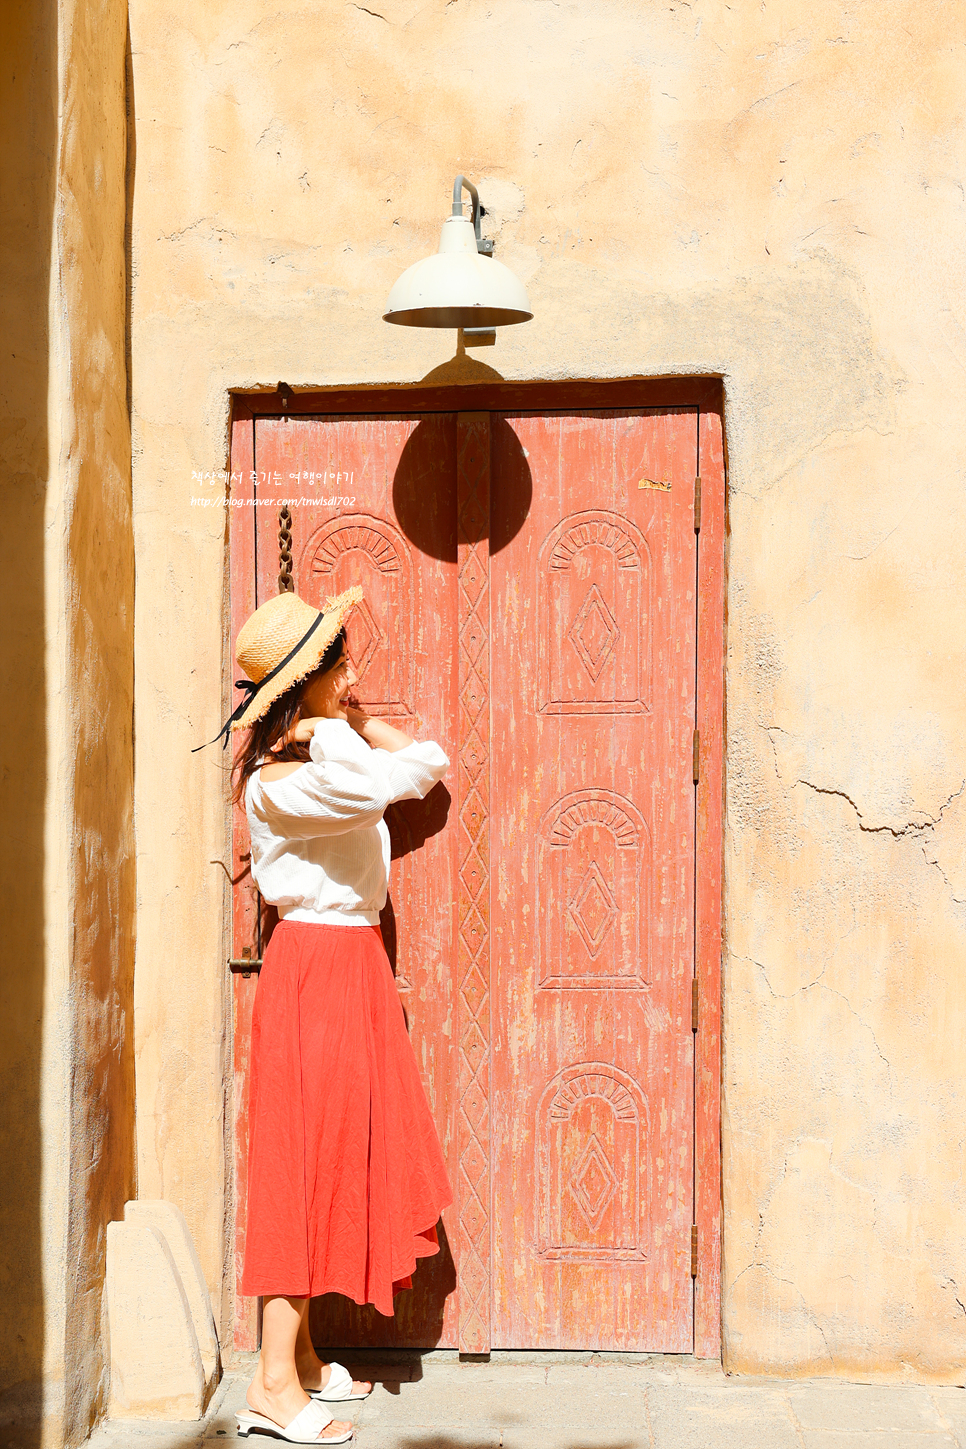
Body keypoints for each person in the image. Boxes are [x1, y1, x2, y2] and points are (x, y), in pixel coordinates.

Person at [212, 585, 452, 1445]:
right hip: (314, 962)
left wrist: (335, 720)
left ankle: (304, 1357)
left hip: (348, 962)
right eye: (336, 663)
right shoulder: (283, 785)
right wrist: (333, 730)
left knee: (331, 1150)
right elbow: (376, 786)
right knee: (301, 1161)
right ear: (302, 686)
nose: (353, 673)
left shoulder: (320, 756)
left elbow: (427, 760)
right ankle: (272, 1385)